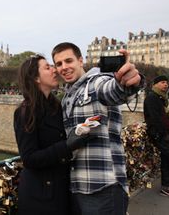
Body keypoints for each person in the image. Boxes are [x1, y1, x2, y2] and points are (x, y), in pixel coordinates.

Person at [52, 42, 143, 215]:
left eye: (68, 61)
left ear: (81, 61)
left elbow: (112, 91)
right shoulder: (67, 97)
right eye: (59, 64)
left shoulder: (96, 82)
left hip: (103, 187)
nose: (64, 67)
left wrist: (126, 82)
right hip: (77, 187)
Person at [13, 54, 92, 214]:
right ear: (36, 78)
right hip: (41, 196)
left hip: (62, 189)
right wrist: (67, 145)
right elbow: (29, 158)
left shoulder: (56, 106)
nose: (55, 70)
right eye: (47, 67)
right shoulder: (26, 112)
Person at [143, 75, 169, 201]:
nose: (166, 84)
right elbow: (155, 118)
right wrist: (161, 133)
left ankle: (166, 187)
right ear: (155, 84)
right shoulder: (152, 98)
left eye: (167, 82)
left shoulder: (161, 98)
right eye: (162, 82)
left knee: (167, 160)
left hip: (167, 133)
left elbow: (163, 116)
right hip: (162, 135)